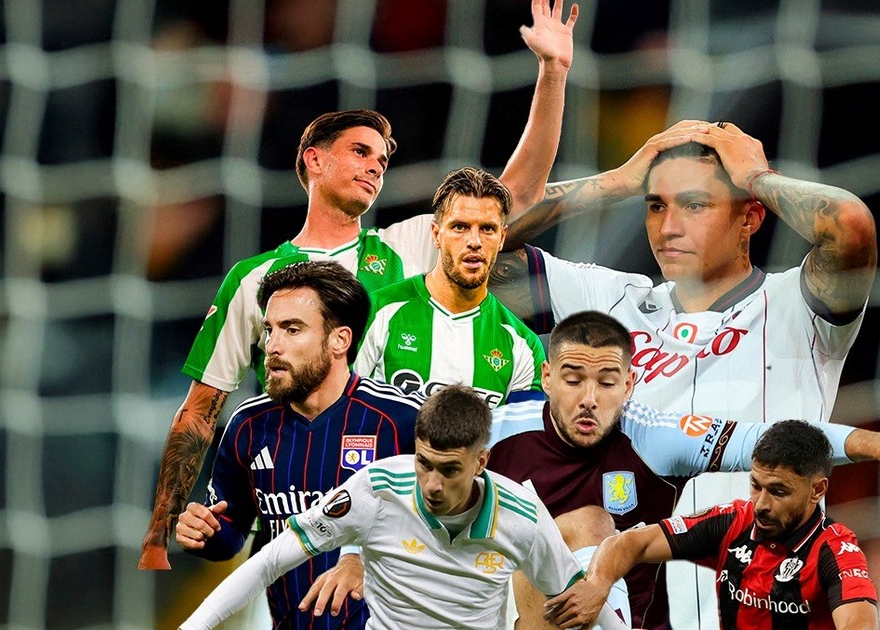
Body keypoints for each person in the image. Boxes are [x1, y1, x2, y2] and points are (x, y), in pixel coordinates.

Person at [140, 0, 580, 569]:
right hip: (296, 523)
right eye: (359, 152)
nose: (374, 165)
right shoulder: (253, 279)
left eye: (381, 159)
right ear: (313, 161)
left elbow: (514, 196)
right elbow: (201, 409)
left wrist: (553, 73)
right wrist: (158, 534)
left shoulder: (407, 246)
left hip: (405, 526)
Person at [305, 311, 880, 629]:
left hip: (633, 617)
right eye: (572, 379)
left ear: (630, 383)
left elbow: (765, 441)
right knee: (569, 528)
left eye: (606, 382)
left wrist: (878, 445)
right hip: (509, 616)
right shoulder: (496, 429)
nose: (588, 398)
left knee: (595, 526)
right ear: (545, 377)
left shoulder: (655, 437)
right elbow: (400, 477)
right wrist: (357, 553)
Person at [490, 120, 879, 626]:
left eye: (695, 205)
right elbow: (481, 239)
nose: (668, 227)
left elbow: (849, 226)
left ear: (749, 217)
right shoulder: (614, 301)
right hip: (629, 608)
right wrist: (620, 181)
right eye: (656, 206)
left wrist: (756, 177)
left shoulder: (796, 306)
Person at [179, 385, 628, 630]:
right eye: (424, 463)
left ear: (481, 462)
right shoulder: (377, 489)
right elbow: (269, 562)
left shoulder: (521, 514)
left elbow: (581, 598)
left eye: (449, 470)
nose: (432, 485)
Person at [175, 261, 429, 629]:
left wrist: (366, 560)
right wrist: (205, 532)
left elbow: (450, 526)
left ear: (339, 340)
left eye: (292, 329)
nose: (272, 346)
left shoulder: (401, 420)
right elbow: (232, 531)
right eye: (269, 330)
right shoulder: (248, 426)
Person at [544, 420, 880, 630]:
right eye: (756, 486)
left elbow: (860, 625)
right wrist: (598, 583)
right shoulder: (734, 523)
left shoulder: (834, 551)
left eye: (778, 492)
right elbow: (630, 542)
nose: (761, 504)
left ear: (817, 490)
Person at [354, 167, 546, 407]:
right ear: (436, 234)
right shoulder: (375, 311)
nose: (474, 242)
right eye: (460, 227)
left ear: (502, 238)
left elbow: (523, 429)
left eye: (487, 229)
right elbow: (340, 410)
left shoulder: (524, 345)